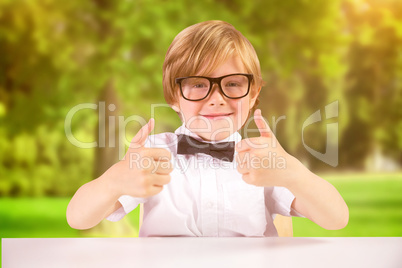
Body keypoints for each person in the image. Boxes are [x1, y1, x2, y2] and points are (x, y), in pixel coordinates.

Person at [66, 20, 349, 237]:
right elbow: (77, 218)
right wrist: (115, 180)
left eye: (234, 83)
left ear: (252, 95)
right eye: (199, 84)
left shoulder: (263, 159)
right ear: (174, 97)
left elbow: (336, 219)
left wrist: (292, 171)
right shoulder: (153, 154)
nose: (216, 97)